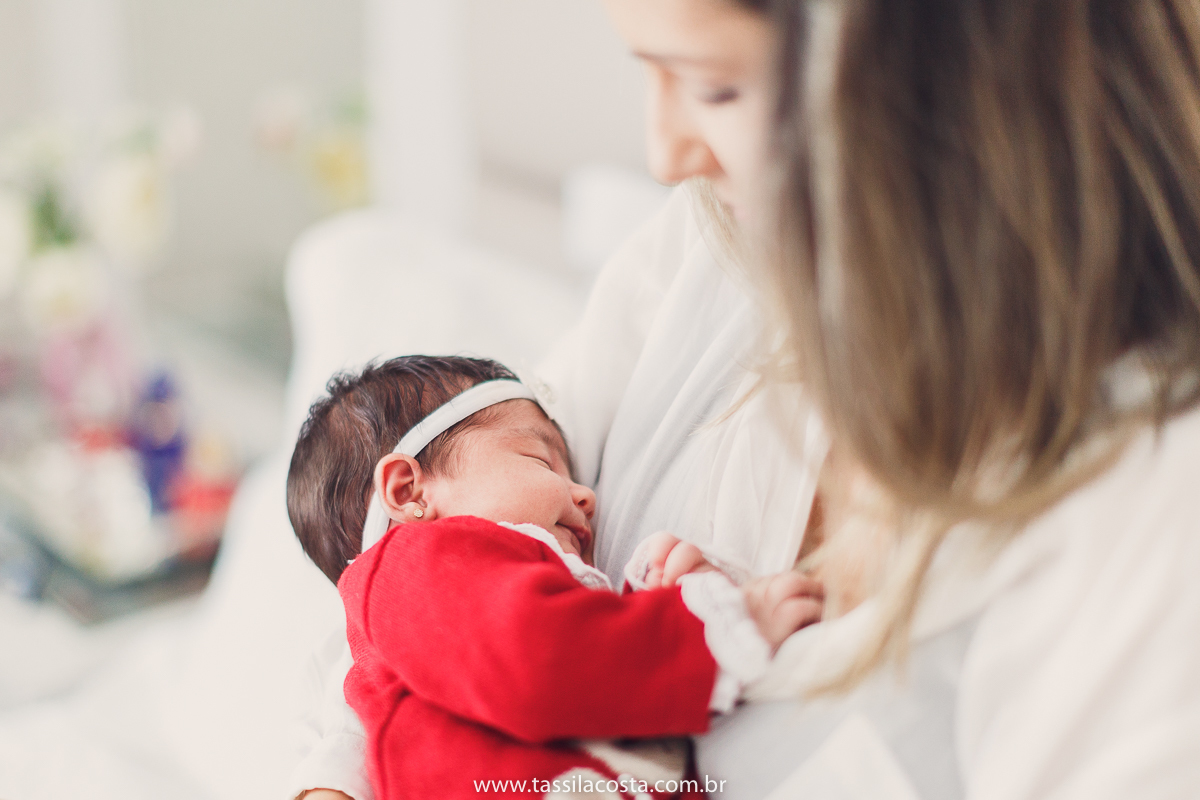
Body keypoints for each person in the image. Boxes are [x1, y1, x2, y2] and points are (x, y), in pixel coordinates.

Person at [296, 0, 1200, 796]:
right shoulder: (707, 249)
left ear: (942, 90)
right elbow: (403, 557)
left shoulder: (1141, 515)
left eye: (713, 87)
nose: (662, 154)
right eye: (649, 70)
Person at [286, 356, 823, 799]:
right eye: (541, 461)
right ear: (409, 492)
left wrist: (657, 595)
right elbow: (538, 657)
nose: (588, 497)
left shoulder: (413, 631)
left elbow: (583, 673)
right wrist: (710, 631)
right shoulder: (419, 563)